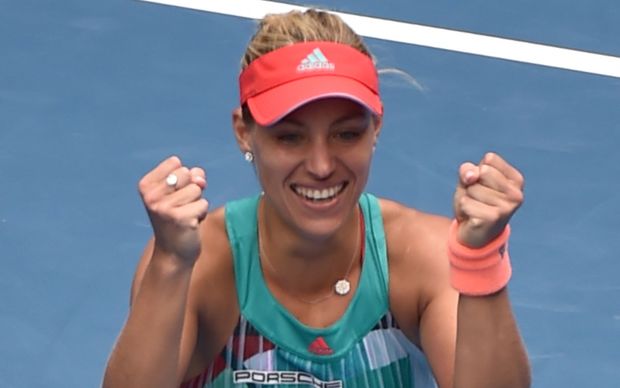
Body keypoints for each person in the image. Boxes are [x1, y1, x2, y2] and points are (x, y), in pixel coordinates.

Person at [103, 9, 530, 388]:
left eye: (347, 134)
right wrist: (172, 263)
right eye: (290, 138)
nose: (322, 165)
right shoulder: (203, 266)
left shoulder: (421, 258)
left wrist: (480, 261)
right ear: (243, 132)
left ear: (376, 127)